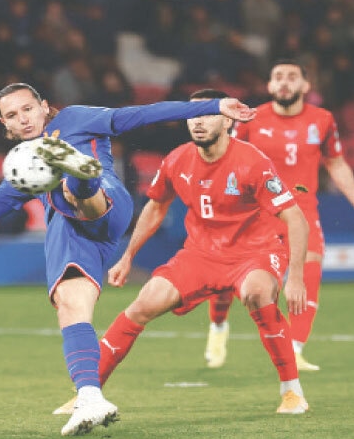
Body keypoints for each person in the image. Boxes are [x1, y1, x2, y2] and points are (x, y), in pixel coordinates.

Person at [0, 82, 256, 436]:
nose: (24, 119)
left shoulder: (77, 118)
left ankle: (79, 176)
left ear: (45, 107)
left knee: (65, 193)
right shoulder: (22, 172)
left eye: (28, 109)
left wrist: (215, 105)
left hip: (108, 201)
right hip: (76, 232)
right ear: (7, 127)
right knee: (70, 305)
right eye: (13, 116)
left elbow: (138, 115)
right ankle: (91, 398)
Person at [54, 88, 311, 418]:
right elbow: (156, 207)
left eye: (206, 114)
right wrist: (128, 255)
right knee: (143, 304)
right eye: (192, 115)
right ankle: (86, 397)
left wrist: (297, 277)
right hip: (200, 255)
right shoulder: (177, 159)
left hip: (254, 253)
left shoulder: (253, 163)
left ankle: (291, 390)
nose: (198, 122)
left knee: (258, 293)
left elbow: (295, 219)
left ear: (227, 119)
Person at [203, 60, 354, 371]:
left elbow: (336, 163)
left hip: (302, 209)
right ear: (268, 86)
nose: (284, 82)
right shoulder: (252, 118)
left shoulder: (322, 120)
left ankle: (295, 349)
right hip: (256, 209)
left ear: (307, 86)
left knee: (309, 271)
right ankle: (218, 326)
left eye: (292, 77)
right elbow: (228, 158)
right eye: (278, 77)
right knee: (228, 279)